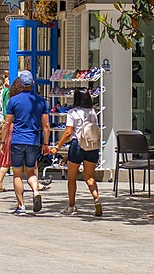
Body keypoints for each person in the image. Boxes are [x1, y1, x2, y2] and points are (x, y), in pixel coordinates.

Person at [3, 69, 50, 215]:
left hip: (17, 140)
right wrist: (46, 144)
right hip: (34, 140)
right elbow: (46, 125)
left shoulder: (13, 101)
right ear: (33, 83)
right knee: (31, 171)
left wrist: (3, 141)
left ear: (21, 84)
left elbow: (7, 123)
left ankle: (21, 206)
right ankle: (36, 191)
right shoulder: (41, 101)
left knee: (17, 173)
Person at [50, 88, 103, 216]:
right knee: (89, 177)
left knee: (72, 177)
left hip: (77, 145)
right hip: (92, 146)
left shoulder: (73, 112)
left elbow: (68, 132)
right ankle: (96, 199)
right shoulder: (92, 112)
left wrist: (57, 146)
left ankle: (72, 205)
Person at [0, 78, 23, 192]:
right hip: (19, 128)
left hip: (10, 128)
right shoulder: (22, 101)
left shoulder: (10, 100)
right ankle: (36, 184)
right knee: (30, 158)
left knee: (6, 156)